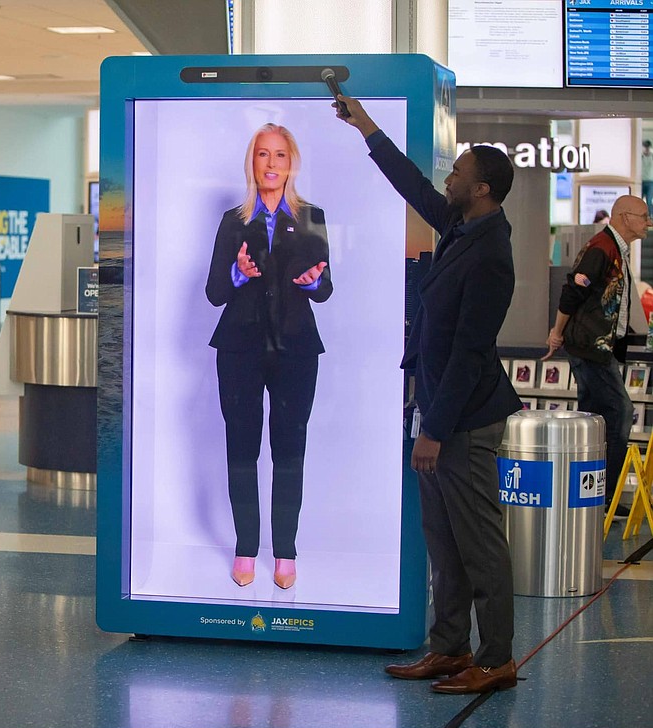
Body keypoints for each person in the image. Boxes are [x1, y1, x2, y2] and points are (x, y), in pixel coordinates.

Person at [335, 95, 522, 694]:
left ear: (484, 189)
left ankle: (496, 660)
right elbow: (414, 186)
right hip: (438, 407)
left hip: (461, 419)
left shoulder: (491, 254)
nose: (450, 178)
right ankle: (448, 648)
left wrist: (435, 430)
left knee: (478, 546)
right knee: (443, 540)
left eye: (460, 173)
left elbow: (471, 354)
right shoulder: (464, 227)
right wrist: (367, 127)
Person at [205, 123, 332, 591]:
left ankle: (284, 553)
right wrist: (238, 276)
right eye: (263, 154)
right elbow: (214, 292)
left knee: (289, 450)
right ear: (252, 162)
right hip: (239, 348)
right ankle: (245, 548)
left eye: (280, 155)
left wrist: (313, 282)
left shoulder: (312, 216)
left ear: (291, 163)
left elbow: (325, 287)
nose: (272, 163)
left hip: (296, 349)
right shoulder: (232, 221)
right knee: (242, 449)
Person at [545, 195, 651, 511]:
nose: (648, 222)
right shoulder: (602, 248)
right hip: (590, 346)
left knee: (594, 418)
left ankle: (591, 493)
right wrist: (557, 332)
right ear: (624, 216)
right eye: (643, 216)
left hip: (598, 346)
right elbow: (573, 290)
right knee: (619, 411)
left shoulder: (615, 249)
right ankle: (606, 495)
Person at [642, 140, 652, 212]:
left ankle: (650, 217)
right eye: (645, 147)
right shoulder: (640, 157)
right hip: (641, 181)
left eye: (647, 147)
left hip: (651, 181)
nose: (646, 148)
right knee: (639, 201)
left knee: (649, 201)